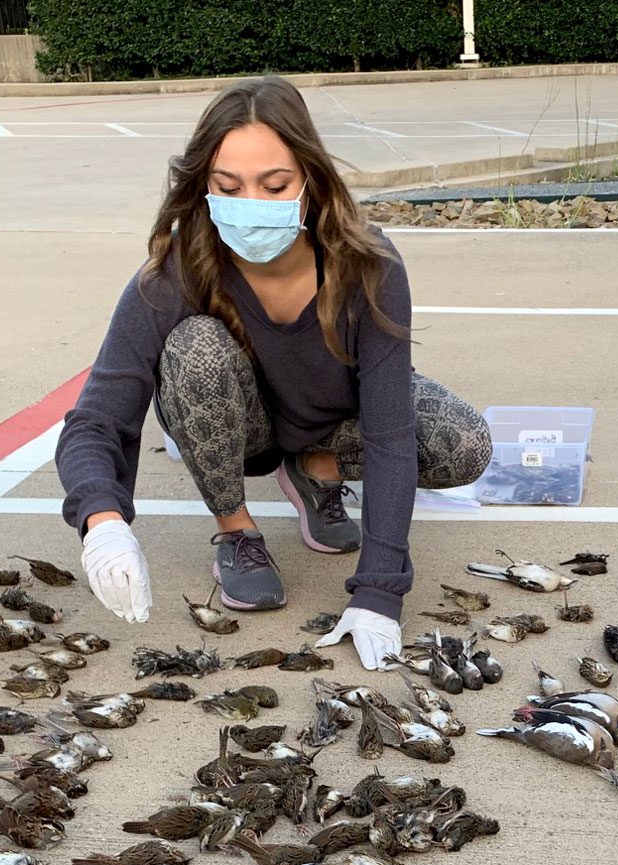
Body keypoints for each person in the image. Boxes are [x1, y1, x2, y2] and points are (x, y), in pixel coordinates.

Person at [57, 74, 493, 668]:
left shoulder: (370, 265)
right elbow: (97, 417)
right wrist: (101, 519)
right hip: (243, 434)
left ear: (310, 179)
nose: (252, 205)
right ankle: (236, 530)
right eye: (228, 186)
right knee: (197, 346)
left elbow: (388, 432)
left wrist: (380, 590)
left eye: (275, 184)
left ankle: (314, 473)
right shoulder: (176, 271)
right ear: (203, 187)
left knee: (464, 445)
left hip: (335, 419)